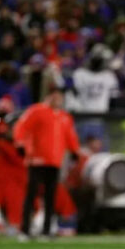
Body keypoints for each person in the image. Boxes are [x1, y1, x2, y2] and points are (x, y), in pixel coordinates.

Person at [13, 87, 80, 239]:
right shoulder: (36, 111)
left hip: (55, 160)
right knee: (31, 194)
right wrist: (20, 144)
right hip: (36, 159)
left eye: (59, 97)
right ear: (48, 97)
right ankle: (25, 229)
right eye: (55, 96)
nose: (58, 100)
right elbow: (21, 127)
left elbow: (70, 135)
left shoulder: (64, 117)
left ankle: (46, 230)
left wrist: (75, 151)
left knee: (51, 196)